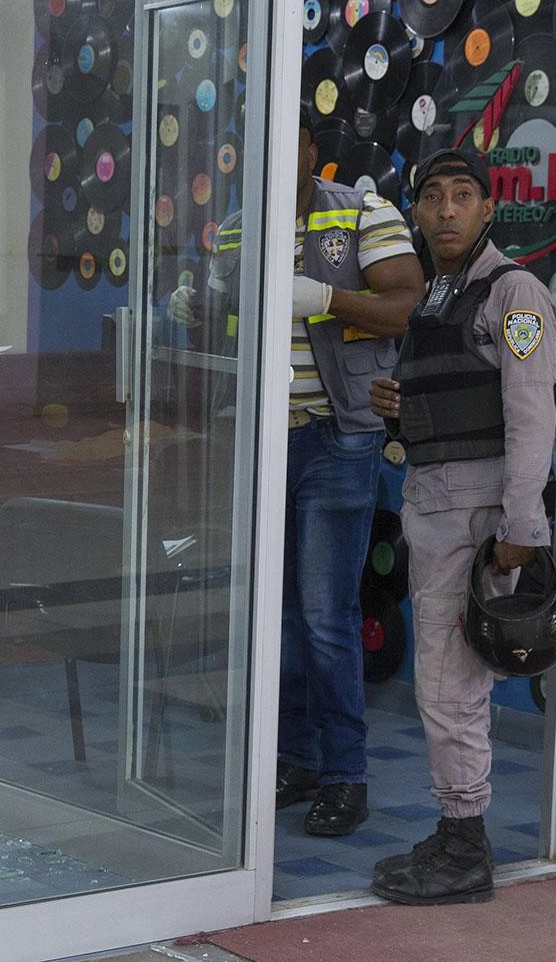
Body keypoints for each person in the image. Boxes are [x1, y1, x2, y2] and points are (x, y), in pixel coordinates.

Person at [176, 109, 424, 835]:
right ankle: (297, 758)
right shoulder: (234, 228)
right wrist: (195, 309)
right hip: (257, 441)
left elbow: (408, 307)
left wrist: (328, 299)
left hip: (336, 441)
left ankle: (347, 775)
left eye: (288, 142)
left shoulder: (364, 213)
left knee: (326, 618)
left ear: (314, 150)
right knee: (275, 616)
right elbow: (231, 320)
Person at [367, 145, 556, 904]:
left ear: (487, 209)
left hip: (477, 518)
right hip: (438, 507)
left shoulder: (516, 297)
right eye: (432, 197)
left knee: (450, 685)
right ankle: (456, 830)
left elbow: (531, 411)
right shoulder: (443, 294)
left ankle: (464, 845)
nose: (445, 211)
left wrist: (522, 525)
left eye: (461, 197)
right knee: (448, 681)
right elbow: (457, 396)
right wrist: (404, 407)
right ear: (416, 211)